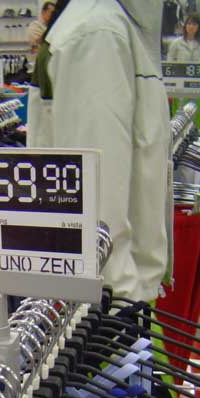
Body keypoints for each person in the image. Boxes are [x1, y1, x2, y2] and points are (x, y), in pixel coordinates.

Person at [27, 0, 171, 304]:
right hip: (111, 298)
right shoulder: (98, 32)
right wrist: (116, 301)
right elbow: (99, 199)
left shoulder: (109, 25)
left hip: (116, 291)